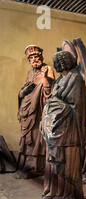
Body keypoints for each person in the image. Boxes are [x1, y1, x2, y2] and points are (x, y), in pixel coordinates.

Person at [40, 50, 86, 199]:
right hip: (56, 129)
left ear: (67, 61)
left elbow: (74, 104)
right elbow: (54, 98)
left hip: (69, 131)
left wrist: (54, 106)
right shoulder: (61, 79)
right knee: (54, 163)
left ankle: (68, 198)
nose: (58, 64)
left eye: (60, 61)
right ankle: (55, 194)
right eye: (56, 61)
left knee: (66, 164)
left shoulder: (75, 79)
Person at [16, 45, 54, 179]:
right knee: (26, 138)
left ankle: (36, 167)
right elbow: (25, 90)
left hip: (39, 109)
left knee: (36, 138)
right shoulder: (30, 73)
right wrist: (22, 93)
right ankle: (25, 165)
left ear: (41, 57)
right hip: (27, 110)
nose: (34, 60)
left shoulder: (47, 69)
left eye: (36, 57)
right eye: (31, 58)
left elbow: (51, 90)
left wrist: (45, 82)